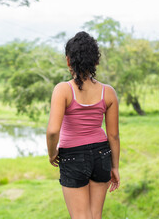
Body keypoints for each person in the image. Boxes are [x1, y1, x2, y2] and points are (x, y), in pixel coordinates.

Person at [46, 31, 120, 219]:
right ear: (96, 61)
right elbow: (113, 136)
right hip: (102, 155)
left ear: (68, 60)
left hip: (72, 156)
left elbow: (53, 130)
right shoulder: (108, 92)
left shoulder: (63, 89)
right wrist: (115, 167)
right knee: (95, 216)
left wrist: (52, 153)